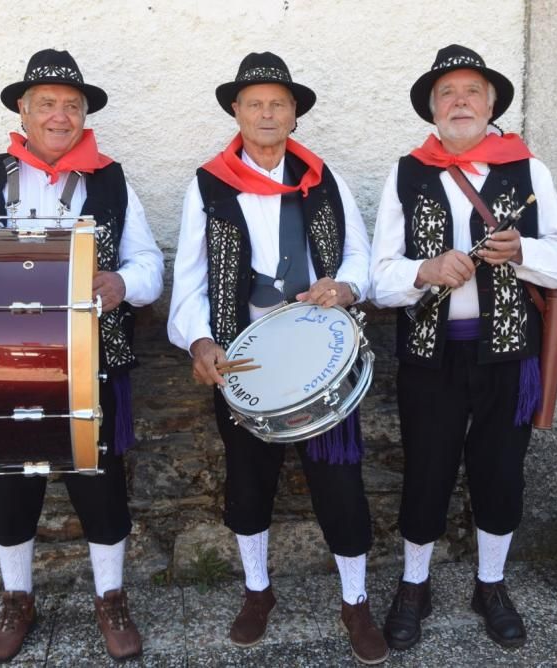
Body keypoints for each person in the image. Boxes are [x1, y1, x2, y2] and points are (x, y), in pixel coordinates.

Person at [0, 49, 163, 662]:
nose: (60, 116)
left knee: (102, 486)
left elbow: (148, 266)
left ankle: (110, 599)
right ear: (24, 112)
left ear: (84, 115)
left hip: (94, 361)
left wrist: (122, 285)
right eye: (47, 105)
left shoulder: (110, 179)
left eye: (71, 106)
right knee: (9, 488)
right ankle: (17, 600)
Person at [168, 52, 388, 665]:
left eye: (278, 103)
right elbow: (189, 277)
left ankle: (355, 599)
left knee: (340, 485)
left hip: (320, 357)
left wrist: (345, 288)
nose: (267, 113)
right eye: (254, 103)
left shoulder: (326, 179)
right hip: (242, 358)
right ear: (236, 112)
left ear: (294, 114)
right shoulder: (208, 183)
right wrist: (199, 340)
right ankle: (257, 592)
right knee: (248, 484)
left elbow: (360, 258)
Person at [370, 44, 557, 651]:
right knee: (426, 473)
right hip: (429, 358)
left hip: (509, 357)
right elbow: (379, 275)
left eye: (471, 92)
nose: (459, 102)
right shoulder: (406, 173)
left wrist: (526, 252)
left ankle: (489, 584)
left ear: (490, 104)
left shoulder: (528, 170)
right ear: (432, 110)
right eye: (447, 94)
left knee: (500, 474)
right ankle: (415, 585)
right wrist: (424, 271)